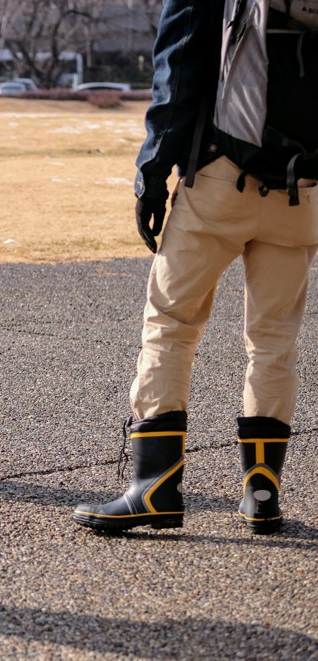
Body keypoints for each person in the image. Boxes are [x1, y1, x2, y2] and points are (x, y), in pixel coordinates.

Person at [73, 0, 318, 535]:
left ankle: (154, 488)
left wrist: (152, 172)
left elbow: (177, 70)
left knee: (172, 324)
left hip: (219, 178)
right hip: (302, 189)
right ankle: (261, 491)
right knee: (275, 339)